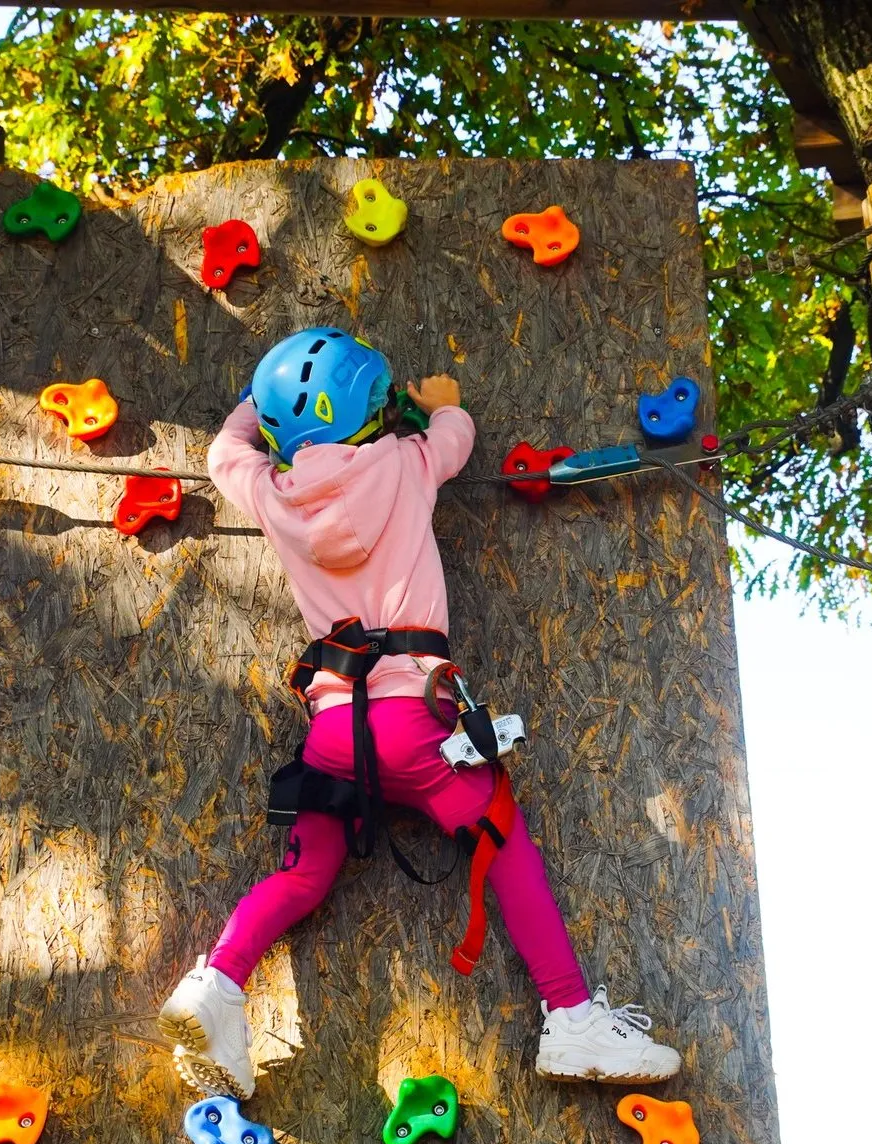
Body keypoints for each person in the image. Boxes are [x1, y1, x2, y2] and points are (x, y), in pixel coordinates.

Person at [158, 327, 680, 1099]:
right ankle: (569, 1013)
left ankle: (218, 980)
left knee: (308, 873)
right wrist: (441, 403)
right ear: (371, 408)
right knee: (499, 835)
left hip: (333, 732)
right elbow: (453, 434)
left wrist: (255, 409)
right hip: (411, 720)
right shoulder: (404, 463)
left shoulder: (271, 494)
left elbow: (225, 453)